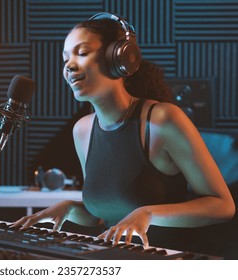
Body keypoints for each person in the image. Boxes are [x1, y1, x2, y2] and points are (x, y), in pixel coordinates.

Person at [12, 12, 235, 250]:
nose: (69, 65)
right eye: (65, 58)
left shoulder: (162, 119)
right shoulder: (83, 130)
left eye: (83, 52)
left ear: (119, 59)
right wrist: (69, 207)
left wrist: (149, 213)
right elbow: (101, 215)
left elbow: (222, 206)